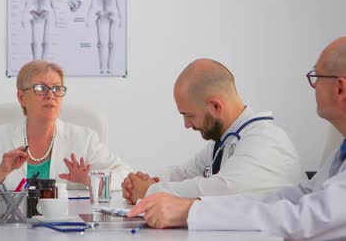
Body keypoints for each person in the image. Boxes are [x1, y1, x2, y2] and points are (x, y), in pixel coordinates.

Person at [127, 37, 346, 240]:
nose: (313, 85)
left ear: (340, 89)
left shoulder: (265, 141)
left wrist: (179, 206)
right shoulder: (228, 140)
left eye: (316, 76)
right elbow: (292, 196)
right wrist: (152, 184)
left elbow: (301, 217)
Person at [122, 58, 305, 203]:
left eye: (189, 115)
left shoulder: (264, 139)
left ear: (215, 106)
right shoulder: (226, 141)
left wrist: (149, 191)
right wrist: (145, 181)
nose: (186, 125)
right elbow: (184, 172)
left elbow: (223, 190)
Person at [0, 59, 130, 190]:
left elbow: (124, 174)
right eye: (40, 88)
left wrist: (89, 179)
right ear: (22, 98)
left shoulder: (84, 139)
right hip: (11, 220)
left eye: (57, 89)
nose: (51, 95)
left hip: (66, 220)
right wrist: (1, 170)